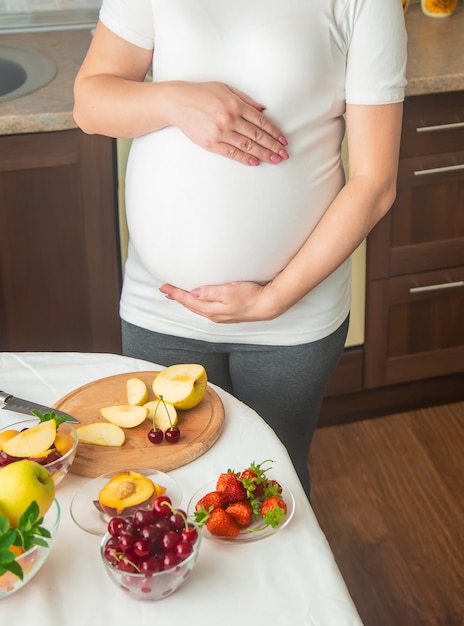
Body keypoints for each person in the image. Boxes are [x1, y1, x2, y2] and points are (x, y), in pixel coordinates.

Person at [73, 0, 407, 498]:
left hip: (291, 315)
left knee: (266, 490)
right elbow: (90, 104)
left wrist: (274, 299)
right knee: (164, 491)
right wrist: (173, 100)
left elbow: (375, 182)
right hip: (160, 306)